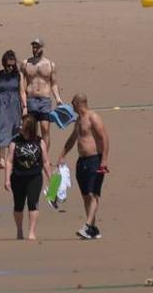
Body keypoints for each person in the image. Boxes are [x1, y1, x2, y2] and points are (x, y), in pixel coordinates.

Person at [58, 93, 110, 240]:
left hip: (95, 159)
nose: (71, 106)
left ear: (78, 103)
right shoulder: (78, 120)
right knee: (86, 195)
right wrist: (62, 154)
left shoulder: (93, 117)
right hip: (82, 161)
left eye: (72, 103)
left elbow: (104, 137)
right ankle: (93, 228)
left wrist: (104, 159)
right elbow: (72, 139)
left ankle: (87, 226)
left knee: (94, 194)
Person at [5, 114, 51, 241]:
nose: (20, 126)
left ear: (29, 128)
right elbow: (9, 161)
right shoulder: (14, 142)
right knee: (18, 205)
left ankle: (31, 232)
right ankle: (19, 230)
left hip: (34, 177)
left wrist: (51, 178)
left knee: (33, 203)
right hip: (17, 177)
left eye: (22, 124)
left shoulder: (40, 142)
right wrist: (7, 179)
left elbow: (46, 161)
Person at [22, 38, 62, 150]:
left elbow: (53, 83)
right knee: (31, 129)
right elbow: (22, 85)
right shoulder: (26, 64)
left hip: (45, 100)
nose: (35, 49)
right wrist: (24, 104)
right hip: (31, 99)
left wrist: (58, 99)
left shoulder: (50, 64)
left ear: (42, 48)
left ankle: (45, 156)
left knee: (45, 129)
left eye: (37, 47)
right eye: (33, 47)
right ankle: (32, 154)